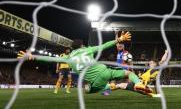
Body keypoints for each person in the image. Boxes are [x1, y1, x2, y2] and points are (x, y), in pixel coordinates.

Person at [18, 32, 150, 94]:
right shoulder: (87, 49)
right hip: (104, 71)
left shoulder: (67, 57)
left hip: (95, 81)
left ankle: (116, 86)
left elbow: (52, 59)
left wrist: (33, 56)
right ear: (81, 46)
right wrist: (119, 39)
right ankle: (138, 84)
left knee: (87, 90)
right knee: (127, 72)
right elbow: (104, 46)